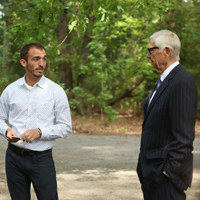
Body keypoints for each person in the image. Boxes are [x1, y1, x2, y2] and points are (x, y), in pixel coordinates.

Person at [0, 43, 72, 200]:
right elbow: (0, 118)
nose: (41, 64)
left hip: (42, 160)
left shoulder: (56, 91)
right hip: (13, 158)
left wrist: (40, 132)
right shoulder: (10, 90)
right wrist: (6, 130)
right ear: (23, 62)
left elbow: (66, 127)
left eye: (44, 59)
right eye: (36, 59)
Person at [136, 30, 198, 200]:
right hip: (152, 176)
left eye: (151, 50)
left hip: (165, 181)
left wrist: (167, 173)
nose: (148, 56)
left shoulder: (181, 82)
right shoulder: (164, 80)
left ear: (167, 51)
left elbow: (184, 137)